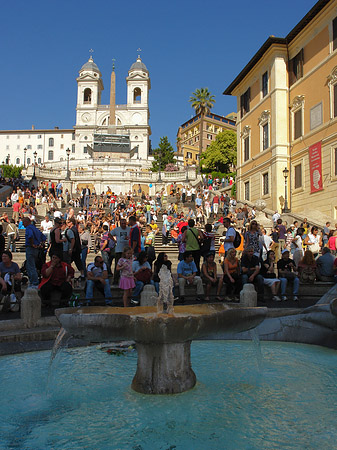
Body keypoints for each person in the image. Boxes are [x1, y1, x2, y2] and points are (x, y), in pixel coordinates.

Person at [23, 217, 46, 289]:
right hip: (37, 250)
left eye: (23, 222)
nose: (23, 224)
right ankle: (34, 280)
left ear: (27, 222)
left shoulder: (29, 228)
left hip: (30, 248)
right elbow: (44, 237)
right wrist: (40, 244)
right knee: (32, 265)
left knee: (31, 266)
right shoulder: (35, 229)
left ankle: (34, 282)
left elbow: (30, 236)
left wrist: (32, 244)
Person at [111, 218, 130, 285]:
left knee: (127, 265)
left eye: (124, 223)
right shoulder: (117, 229)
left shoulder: (129, 229)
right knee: (117, 265)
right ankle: (115, 280)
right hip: (119, 250)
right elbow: (110, 234)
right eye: (122, 223)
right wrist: (114, 240)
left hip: (127, 250)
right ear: (120, 223)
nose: (123, 225)